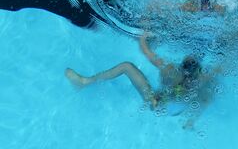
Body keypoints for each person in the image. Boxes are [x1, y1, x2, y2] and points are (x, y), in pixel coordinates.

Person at [65, 33, 218, 127]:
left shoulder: (170, 69)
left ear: (181, 65)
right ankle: (190, 121)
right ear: (198, 70)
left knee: (126, 66)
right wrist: (192, 120)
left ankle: (85, 83)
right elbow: (207, 99)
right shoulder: (203, 79)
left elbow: (146, 51)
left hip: (157, 104)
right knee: (208, 92)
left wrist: (143, 35)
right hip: (176, 110)